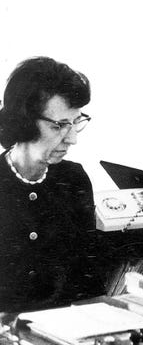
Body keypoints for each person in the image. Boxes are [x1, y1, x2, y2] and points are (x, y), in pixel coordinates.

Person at [0, 56, 106, 313]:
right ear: (24, 121)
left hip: (66, 328)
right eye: (59, 126)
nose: (72, 139)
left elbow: (88, 280)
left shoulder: (74, 179)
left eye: (75, 123)